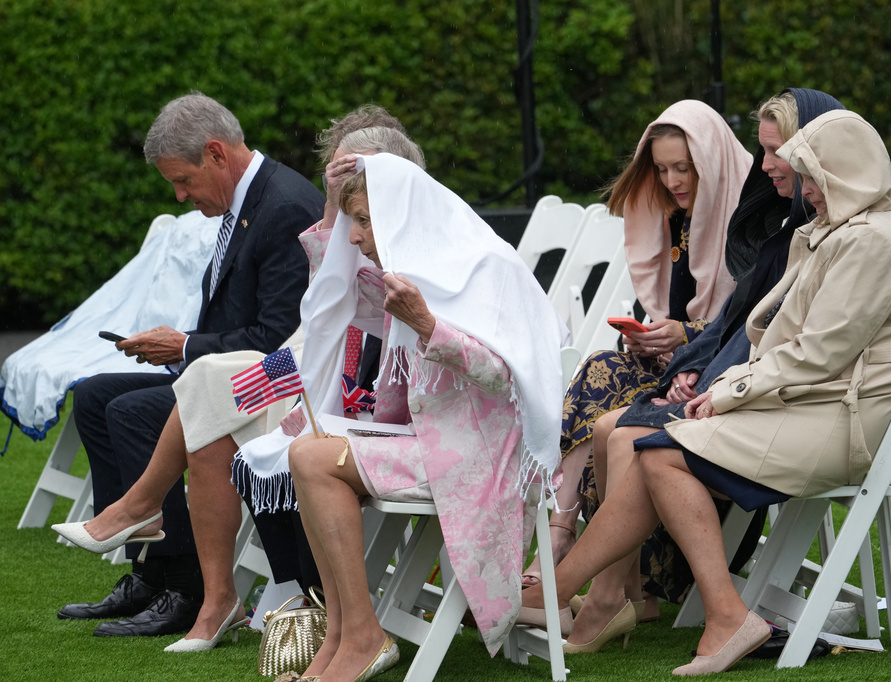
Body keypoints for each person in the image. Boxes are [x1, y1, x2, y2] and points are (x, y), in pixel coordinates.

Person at [520, 109, 891, 677]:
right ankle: (659, 605)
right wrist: (720, 379)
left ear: (846, 173)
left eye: (811, 175)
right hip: (816, 406)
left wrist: (728, 388)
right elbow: (768, 334)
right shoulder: (833, 234)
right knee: (655, 444)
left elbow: (818, 353)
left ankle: (566, 593)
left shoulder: (871, 241)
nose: (802, 188)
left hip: (852, 422)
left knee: (661, 448)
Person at [53, 122, 425, 651]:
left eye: (350, 182)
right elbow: (318, 316)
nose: (343, 207)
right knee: (178, 399)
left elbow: (297, 328)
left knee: (199, 397)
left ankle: (166, 549)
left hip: (347, 402)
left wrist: (186, 347)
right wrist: (331, 204)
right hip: (311, 375)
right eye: (335, 181)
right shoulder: (343, 234)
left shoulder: (305, 212)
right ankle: (205, 590)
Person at [284, 152, 567, 681]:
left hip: (482, 454)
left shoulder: (490, 267)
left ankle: (362, 637)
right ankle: (343, 638)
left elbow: (508, 380)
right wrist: (331, 203)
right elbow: (333, 291)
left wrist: (428, 325)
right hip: (429, 438)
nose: (353, 237)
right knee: (304, 444)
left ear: (402, 213)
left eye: (363, 221)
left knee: (311, 457)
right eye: (353, 221)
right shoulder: (408, 268)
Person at [56, 92, 325, 638]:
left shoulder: (286, 206)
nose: (180, 196)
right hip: (228, 374)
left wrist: (182, 347)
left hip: (273, 386)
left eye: (183, 181)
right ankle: (151, 566)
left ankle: (185, 585)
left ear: (216, 154)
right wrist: (180, 348)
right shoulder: (249, 201)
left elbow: (276, 340)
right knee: (93, 395)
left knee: (132, 413)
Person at [570, 89, 847, 616]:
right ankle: (606, 584)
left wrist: (703, 369)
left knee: (623, 428)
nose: (765, 166)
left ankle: (597, 590)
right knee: (605, 399)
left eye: (684, 168)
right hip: (728, 379)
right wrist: (691, 361)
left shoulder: (804, 231)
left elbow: (787, 342)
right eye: (661, 169)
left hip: (785, 407)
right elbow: (739, 324)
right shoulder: (789, 226)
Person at [525, 100, 751, 587]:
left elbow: (749, 328)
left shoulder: (748, 226)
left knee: (606, 403)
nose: (672, 181)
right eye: (663, 169)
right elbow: (679, 315)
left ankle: (596, 563)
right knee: (599, 367)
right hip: (682, 372)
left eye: (683, 168)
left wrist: (686, 336)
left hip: (725, 384)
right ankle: (564, 532)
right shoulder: (678, 219)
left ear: (711, 162)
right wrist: (652, 341)